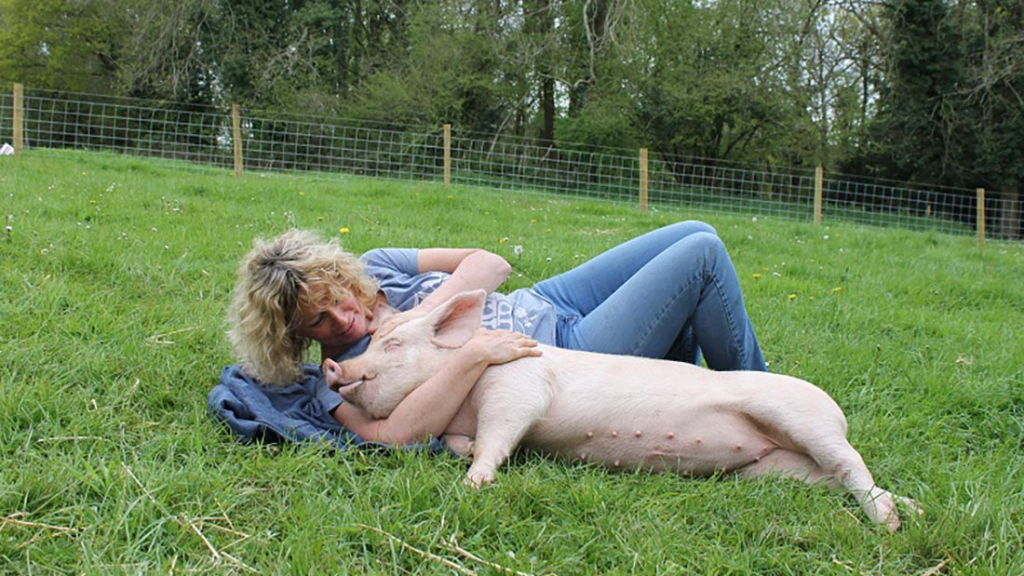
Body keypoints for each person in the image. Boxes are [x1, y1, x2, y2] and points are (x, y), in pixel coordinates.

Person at [226, 221, 766, 447]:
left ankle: (693, 386)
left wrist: (418, 316)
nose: (342, 319)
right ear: (295, 335)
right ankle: (766, 398)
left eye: (337, 298)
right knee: (701, 258)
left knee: (697, 231)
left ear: (341, 275)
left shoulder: (378, 265)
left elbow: (490, 264)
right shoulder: (343, 377)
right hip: (565, 353)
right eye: (318, 321)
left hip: (550, 300)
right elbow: (389, 437)